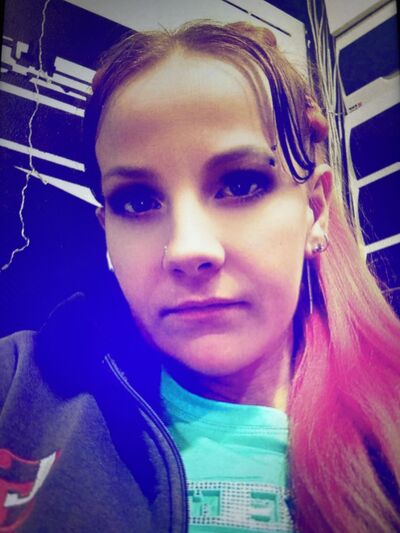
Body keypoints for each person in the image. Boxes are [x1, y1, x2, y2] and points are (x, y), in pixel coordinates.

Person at [1, 20, 399, 533]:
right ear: (107, 231)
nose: (188, 249)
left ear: (315, 211)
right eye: (137, 201)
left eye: (240, 184)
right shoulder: (19, 387)